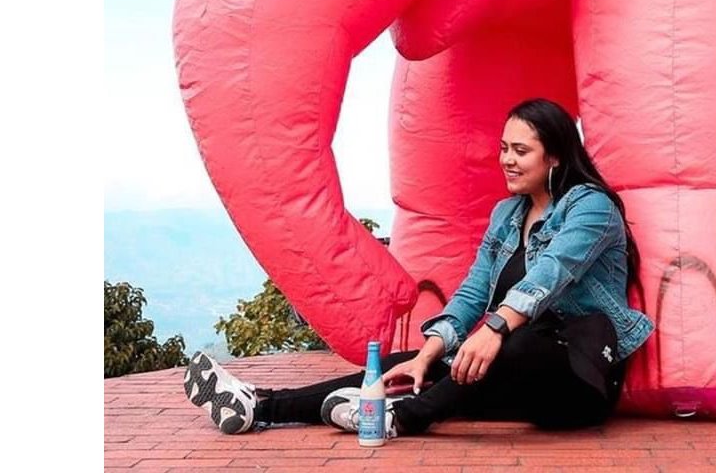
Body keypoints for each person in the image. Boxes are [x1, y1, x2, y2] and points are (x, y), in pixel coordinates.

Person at [182, 98, 654, 437]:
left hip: (580, 379)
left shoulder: (591, 208)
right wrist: (429, 353)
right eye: (503, 148)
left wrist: (493, 329)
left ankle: (399, 419)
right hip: (514, 376)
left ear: (555, 156)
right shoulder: (507, 215)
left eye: (520, 151)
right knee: (404, 367)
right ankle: (260, 406)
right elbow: (473, 291)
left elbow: (549, 275)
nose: (507, 160)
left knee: (517, 342)